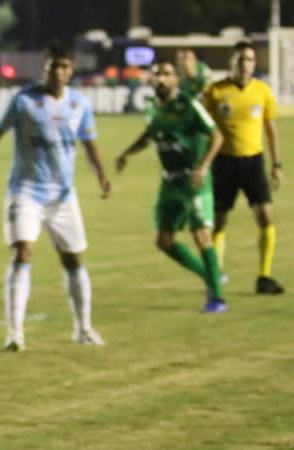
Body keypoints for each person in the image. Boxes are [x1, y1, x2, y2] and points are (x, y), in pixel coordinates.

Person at [0, 43, 112, 351]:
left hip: (63, 197)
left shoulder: (79, 104)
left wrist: (101, 176)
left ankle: (83, 329)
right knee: (22, 252)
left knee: (73, 259)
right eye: (54, 66)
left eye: (64, 67)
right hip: (25, 192)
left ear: (71, 70)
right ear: (45, 68)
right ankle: (15, 333)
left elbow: (90, 144)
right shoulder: (24, 100)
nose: (58, 72)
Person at [115, 61, 227, 313]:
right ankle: (211, 275)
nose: (161, 79)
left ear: (176, 79)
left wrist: (203, 167)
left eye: (166, 74)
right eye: (157, 74)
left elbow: (217, 136)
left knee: (201, 235)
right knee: (163, 241)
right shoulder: (152, 107)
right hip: (170, 182)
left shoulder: (188, 104)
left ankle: (217, 299)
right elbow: (150, 135)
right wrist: (126, 154)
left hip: (193, 179)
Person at [202, 40, 284, 294]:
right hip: (223, 162)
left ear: (254, 63)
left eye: (249, 59)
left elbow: (270, 129)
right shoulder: (215, 91)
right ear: (231, 62)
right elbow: (201, 127)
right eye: (240, 59)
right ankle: (215, 275)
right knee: (219, 222)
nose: (244, 64)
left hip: (253, 162)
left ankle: (264, 277)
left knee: (265, 217)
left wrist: (277, 164)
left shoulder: (262, 91)